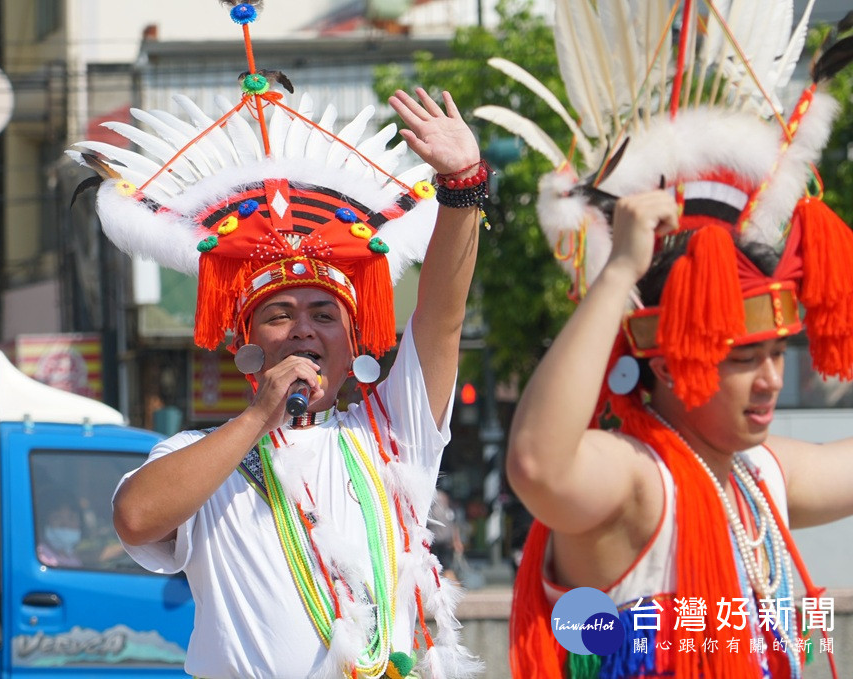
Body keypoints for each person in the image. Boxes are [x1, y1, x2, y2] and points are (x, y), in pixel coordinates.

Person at [69, 6, 483, 677]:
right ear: (244, 345)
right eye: (280, 314)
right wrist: (260, 417)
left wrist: (463, 189)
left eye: (324, 312)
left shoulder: (390, 432)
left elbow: (441, 318)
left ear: (353, 343)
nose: (304, 328)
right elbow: (136, 516)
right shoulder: (202, 457)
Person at [477, 2, 853, 677]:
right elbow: (538, 465)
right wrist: (620, 269)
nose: (770, 378)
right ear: (673, 355)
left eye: (776, 353)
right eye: (744, 357)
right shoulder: (634, 481)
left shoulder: (757, 473)